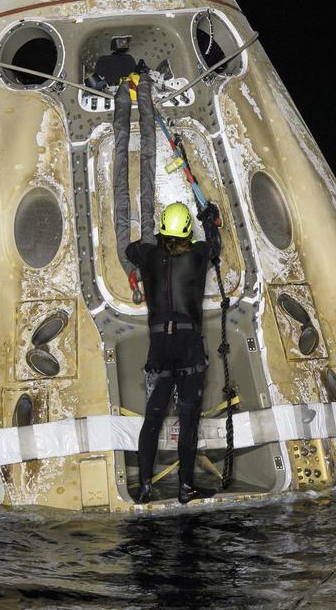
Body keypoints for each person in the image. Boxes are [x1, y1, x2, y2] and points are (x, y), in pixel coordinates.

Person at [126, 200, 222, 504]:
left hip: (159, 348)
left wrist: (154, 241)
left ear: (164, 228)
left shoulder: (147, 255)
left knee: (152, 419)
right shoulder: (198, 254)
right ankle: (185, 487)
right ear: (187, 232)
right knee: (188, 419)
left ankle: (143, 487)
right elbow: (215, 245)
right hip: (189, 346)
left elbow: (130, 250)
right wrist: (209, 220)